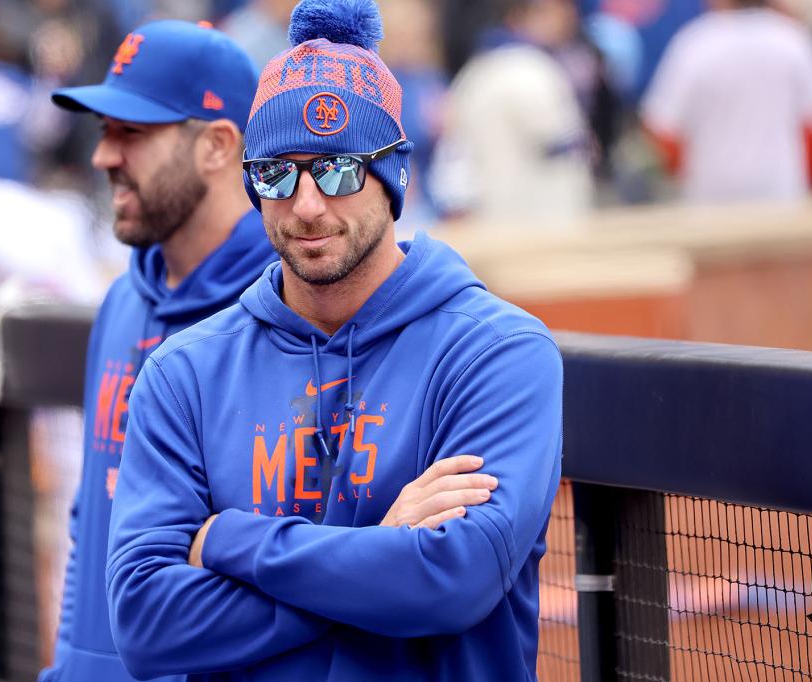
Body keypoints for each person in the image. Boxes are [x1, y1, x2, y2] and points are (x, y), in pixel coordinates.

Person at [105, 1, 563, 680]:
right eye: (277, 174)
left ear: (392, 175)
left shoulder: (498, 353)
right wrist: (378, 554)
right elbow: (146, 623)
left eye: (339, 169)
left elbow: (456, 580)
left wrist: (231, 540)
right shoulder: (185, 372)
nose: (308, 204)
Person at [38, 20, 275, 681]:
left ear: (219, 146)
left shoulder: (284, 312)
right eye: (104, 131)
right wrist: (72, 665)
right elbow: (93, 520)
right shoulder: (122, 301)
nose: (103, 156)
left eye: (132, 133)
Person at [641, 0, 812, 203]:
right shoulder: (792, 40)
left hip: (711, 198)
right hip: (781, 193)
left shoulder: (695, 43)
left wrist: (686, 170)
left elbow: (660, 127)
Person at [431, 0, 594, 224]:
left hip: (488, 222)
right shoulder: (532, 68)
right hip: (539, 225)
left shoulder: (471, 72)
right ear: (517, 16)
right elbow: (565, 144)